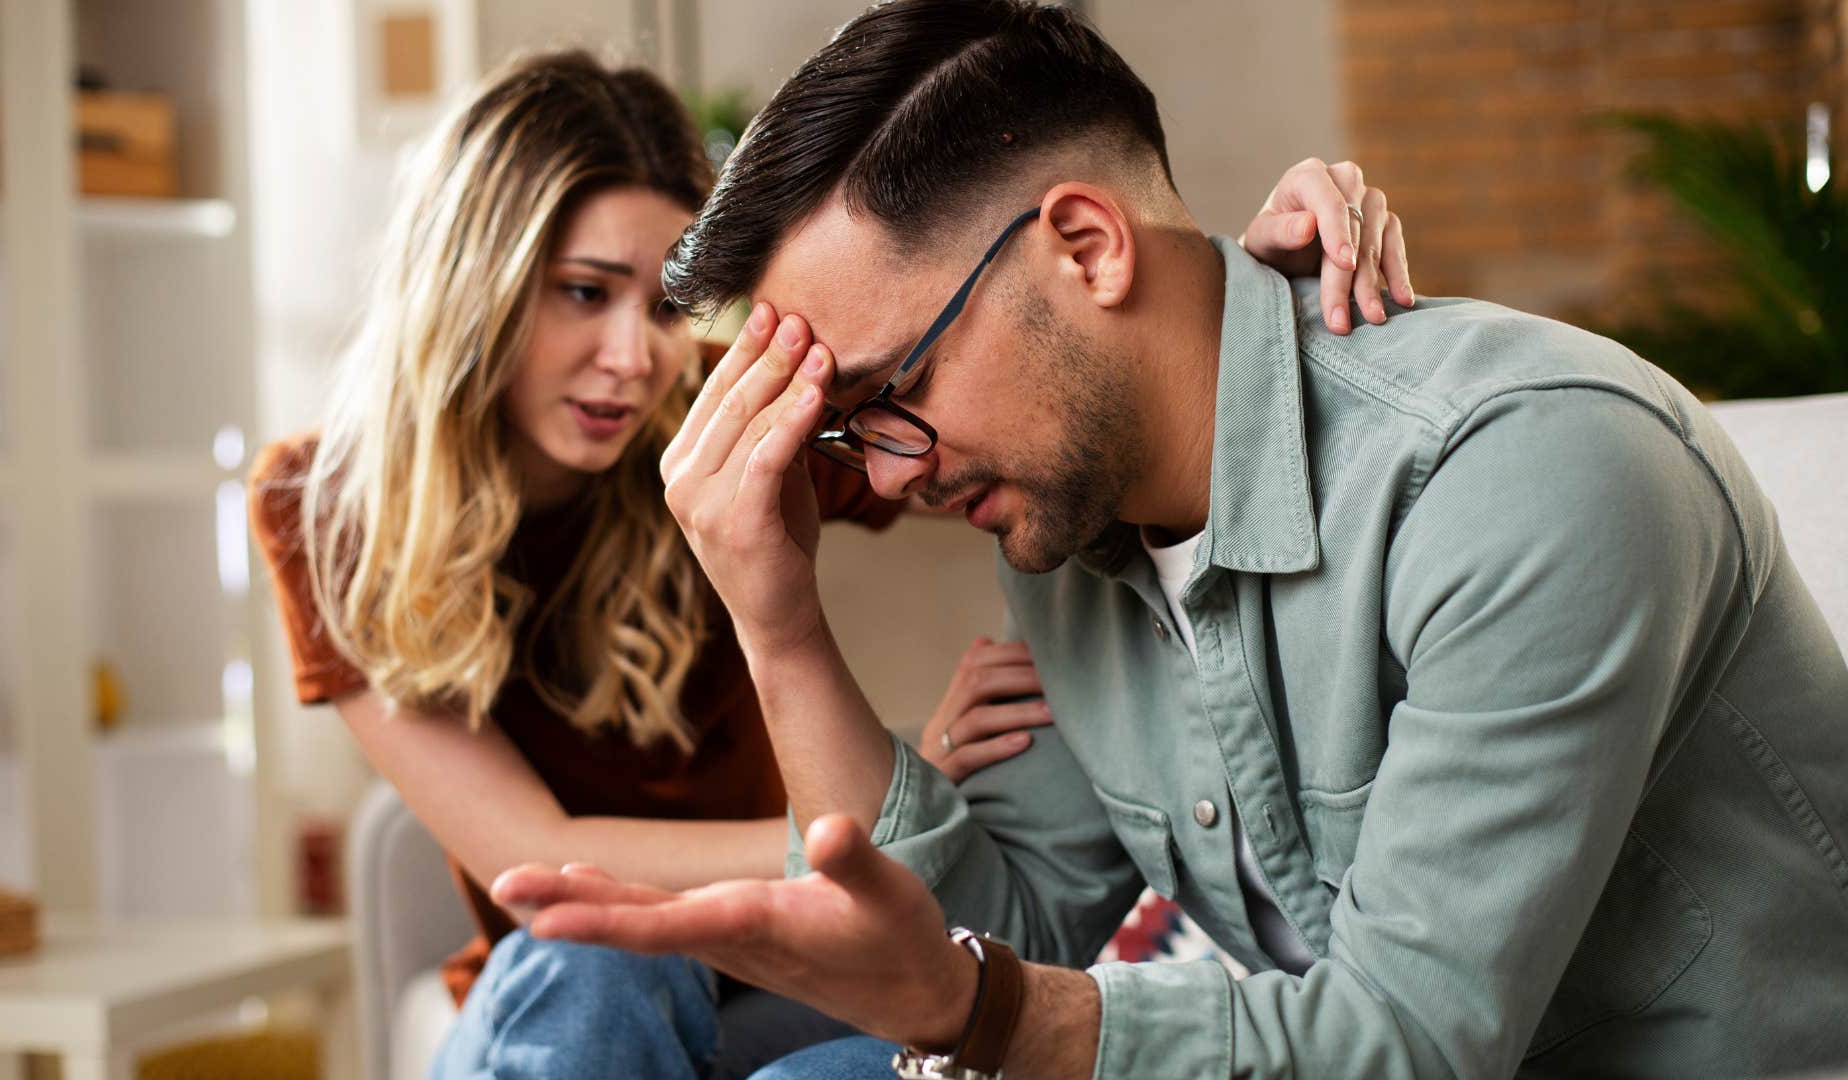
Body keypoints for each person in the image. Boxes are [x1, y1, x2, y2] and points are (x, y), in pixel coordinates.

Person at [493, 3, 1848, 1079]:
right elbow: (989, 944)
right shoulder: (1075, 544)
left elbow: (1412, 1046)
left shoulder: (1525, 473)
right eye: (846, 430)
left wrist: (980, 1012)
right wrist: (774, 610)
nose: (887, 475)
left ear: (1085, 246)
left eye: (887, 394)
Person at [248, 46, 1400, 1079]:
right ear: (474, 287)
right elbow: (535, 862)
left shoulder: (722, 426)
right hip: (585, 982)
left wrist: (1229, 303)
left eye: (660, 310)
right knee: (600, 963)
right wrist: (900, 788)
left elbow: (1078, 442)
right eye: (582, 295)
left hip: (804, 968)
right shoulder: (325, 508)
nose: (630, 360)